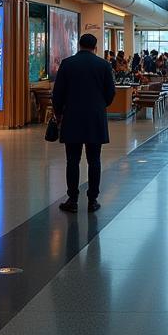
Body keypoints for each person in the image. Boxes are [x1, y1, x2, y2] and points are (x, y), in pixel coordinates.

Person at [52, 32, 115, 212]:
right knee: (94, 160)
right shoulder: (103, 65)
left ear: (79, 45)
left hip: (72, 117)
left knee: (72, 160)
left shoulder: (67, 64)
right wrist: (101, 105)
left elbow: (58, 93)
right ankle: (92, 200)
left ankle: (72, 199)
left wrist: (58, 114)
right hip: (95, 118)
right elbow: (110, 92)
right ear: (95, 47)